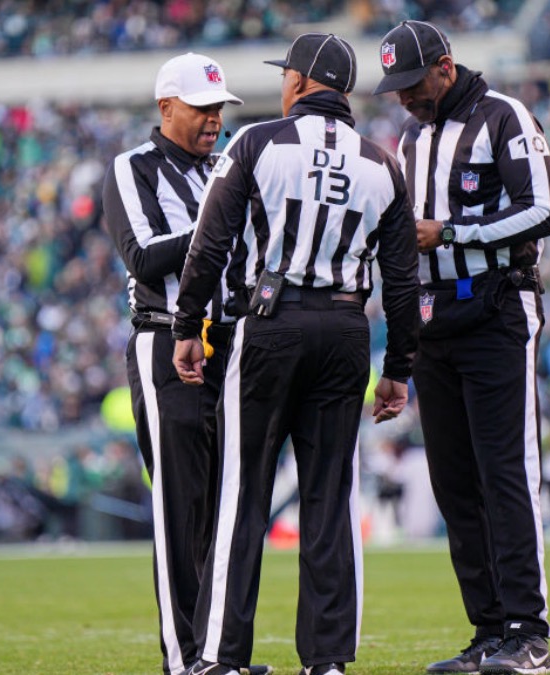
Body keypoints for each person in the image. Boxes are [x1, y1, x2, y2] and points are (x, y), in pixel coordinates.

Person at [172, 32, 420, 675]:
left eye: (287, 75)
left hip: (269, 323)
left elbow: (208, 245)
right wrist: (397, 370)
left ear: (303, 82)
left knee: (242, 495)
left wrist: (186, 324)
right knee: (330, 499)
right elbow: (402, 280)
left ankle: (222, 659)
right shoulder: (383, 163)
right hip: (344, 331)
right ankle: (329, 659)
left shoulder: (256, 142)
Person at [372, 20, 550, 675]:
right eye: (395, 88)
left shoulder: (503, 116)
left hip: (499, 308)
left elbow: (542, 211)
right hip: (436, 320)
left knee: (506, 470)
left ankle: (528, 632)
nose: (405, 98)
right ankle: (488, 628)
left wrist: (450, 232)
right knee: (454, 481)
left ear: (445, 67)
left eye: (413, 84)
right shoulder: (413, 136)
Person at [100, 52, 267, 675]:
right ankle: (184, 657)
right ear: (165, 106)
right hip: (165, 340)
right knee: (180, 505)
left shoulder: (225, 168)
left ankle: (220, 652)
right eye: (201, 108)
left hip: (230, 343)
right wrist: (218, 217)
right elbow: (142, 258)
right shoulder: (132, 168)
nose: (213, 121)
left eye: (219, 109)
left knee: (226, 506)